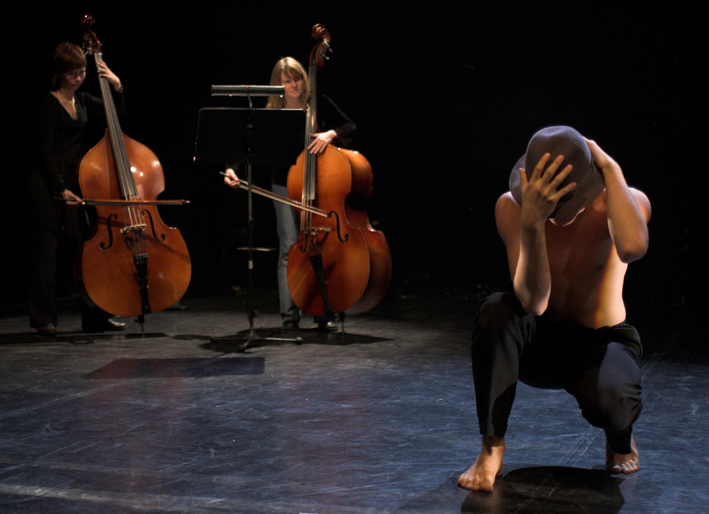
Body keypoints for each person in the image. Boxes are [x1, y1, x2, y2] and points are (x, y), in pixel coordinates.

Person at [457, 126, 651, 492]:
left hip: (599, 344)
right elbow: (534, 301)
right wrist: (533, 222)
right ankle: (491, 448)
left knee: (612, 403)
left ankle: (620, 437)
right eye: (553, 204)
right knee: (496, 311)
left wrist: (611, 169)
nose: (560, 216)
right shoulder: (511, 208)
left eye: (570, 203)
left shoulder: (623, 201)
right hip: (538, 344)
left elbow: (633, 248)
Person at [224, 56, 357, 331]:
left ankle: (324, 312)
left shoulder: (317, 103)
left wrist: (329, 134)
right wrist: (231, 168)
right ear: (277, 85)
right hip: (283, 184)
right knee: (289, 246)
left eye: (297, 79)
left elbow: (350, 127)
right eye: (287, 81)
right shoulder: (273, 112)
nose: (294, 85)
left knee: (321, 246)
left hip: (318, 185)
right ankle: (289, 316)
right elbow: (248, 146)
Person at [28, 41, 126, 336]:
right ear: (60, 73)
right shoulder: (48, 105)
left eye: (82, 72)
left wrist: (117, 86)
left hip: (73, 182)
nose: (79, 78)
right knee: (46, 253)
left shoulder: (82, 100)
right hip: (46, 185)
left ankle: (95, 317)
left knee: (84, 252)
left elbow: (115, 116)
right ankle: (44, 319)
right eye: (73, 73)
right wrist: (60, 189)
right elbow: (44, 153)